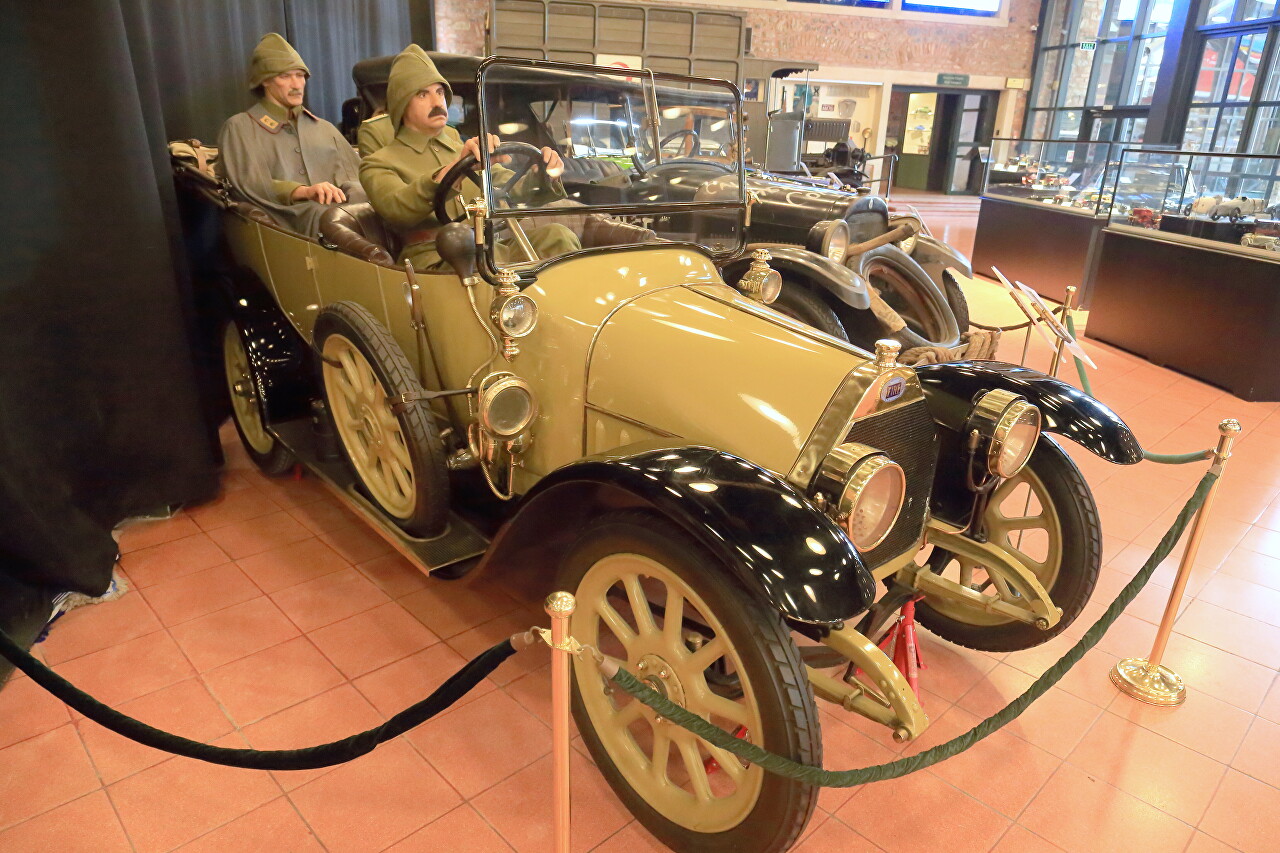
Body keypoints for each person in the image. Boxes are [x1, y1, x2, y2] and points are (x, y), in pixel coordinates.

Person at [359, 45, 579, 272]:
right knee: (478, 262)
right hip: (434, 259)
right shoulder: (378, 163)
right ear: (401, 104)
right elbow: (397, 209)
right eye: (423, 95)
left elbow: (510, 187)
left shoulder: (465, 150)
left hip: (488, 250)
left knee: (558, 236)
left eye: (440, 92)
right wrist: (452, 171)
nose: (437, 103)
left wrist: (543, 174)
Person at [217, 33, 365, 236]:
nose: (296, 85)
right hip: (283, 226)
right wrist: (303, 191)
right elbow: (249, 185)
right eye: (285, 76)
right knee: (321, 213)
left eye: (300, 75)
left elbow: (357, 177)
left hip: (341, 219)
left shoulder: (324, 129)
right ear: (265, 81)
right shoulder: (240, 128)